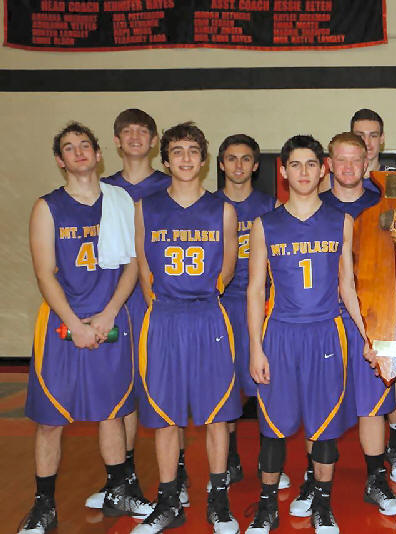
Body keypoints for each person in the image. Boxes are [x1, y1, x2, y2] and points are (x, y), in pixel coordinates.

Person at [19, 122, 152, 534]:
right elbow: (45, 273)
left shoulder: (120, 201)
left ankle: (118, 489)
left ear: (98, 154)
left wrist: (110, 313)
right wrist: (74, 323)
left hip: (109, 317)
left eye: (84, 146)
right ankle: (43, 506)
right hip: (63, 322)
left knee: (112, 413)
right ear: (60, 160)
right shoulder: (48, 207)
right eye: (68, 148)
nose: (78, 152)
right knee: (50, 419)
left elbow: (133, 264)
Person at [246, 135, 375, 534]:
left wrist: (367, 337)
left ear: (323, 170)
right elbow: (255, 290)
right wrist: (255, 348)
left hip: (326, 333)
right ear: (283, 172)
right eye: (295, 165)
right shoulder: (265, 224)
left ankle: (322, 503)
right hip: (280, 334)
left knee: (324, 425)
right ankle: (267, 506)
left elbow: (347, 287)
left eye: (311, 164)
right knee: (272, 426)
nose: (303, 172)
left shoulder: (341, 222)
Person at [133, 122, 240, 534]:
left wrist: (201, 297)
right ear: (165, 160)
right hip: (164, 317)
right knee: (165, 415)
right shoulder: (146, 208)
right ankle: (168, 500)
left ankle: (218, 499)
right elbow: (144, 269)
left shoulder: (223, 209)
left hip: (208, 316)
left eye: (193, 151)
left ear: (204, 159)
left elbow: (227, 268)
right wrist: (163, 306)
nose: (185, 158)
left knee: (216, 414)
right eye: (177, 151)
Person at [84, 108, 172, 511]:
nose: (135, 137)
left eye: (143, 131)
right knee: (119, 394)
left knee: (165, 390)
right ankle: (123, 480)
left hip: (159, 301)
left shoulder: (171, 185)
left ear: (154, 141)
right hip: (115, 301)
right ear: (116, 141)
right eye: (127, 131)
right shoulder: (100, 189)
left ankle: (176, 478)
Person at [318, 132, 396, 517]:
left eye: (356, 159)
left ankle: (375, 478)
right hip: (323, 319)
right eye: (341, 159)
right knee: (321, 402)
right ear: (329, 164)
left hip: (372, 316)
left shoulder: (383, 205)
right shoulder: (314, 206)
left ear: (367, 163)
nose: (349, 166)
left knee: (373, 404)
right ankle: (315, 481)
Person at [212, 134, 290, 492]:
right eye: (232, 158)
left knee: (264, 385)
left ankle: (267, 460)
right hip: (223, 304)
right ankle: (228, 461)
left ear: (256, 165)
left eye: (246, 159)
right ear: (221, 164)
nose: (239, 165)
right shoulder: (210, 206)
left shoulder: (270, 205)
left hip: (262, 304)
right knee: (225, 387)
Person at [349, 108, 396, 484]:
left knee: (392, 379)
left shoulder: (395, 188)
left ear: (382, 140)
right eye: (360, 135)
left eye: (373, 135)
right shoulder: (334, 192)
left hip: (387, 304)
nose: (367, 142)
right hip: (341, 307)